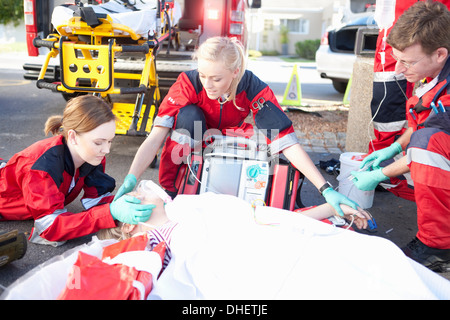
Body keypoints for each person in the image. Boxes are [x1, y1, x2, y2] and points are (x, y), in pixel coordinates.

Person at [114, 36, 359, 217]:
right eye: (202, 75)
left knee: (269, 143)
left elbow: (286, 141)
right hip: (197, 130)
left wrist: (325, 189)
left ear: (235, 72)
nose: (207, 84)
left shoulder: (254, 88)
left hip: (227, 135)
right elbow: (156, 137)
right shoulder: (187, 82)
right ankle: (173, 189)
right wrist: (131, 177)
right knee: (188, 115)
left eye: (216, 78)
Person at [351, 1, 450, 271]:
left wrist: (380, 175)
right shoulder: (437, 70)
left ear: (440, 54)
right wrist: (393, 148)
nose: (398, 70)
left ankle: (437, 248)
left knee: (427, 146)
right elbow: (421, 122)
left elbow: (429, 145)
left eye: (406, 62)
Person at [0, 95, 154, 246]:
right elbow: (49, 228)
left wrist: (127, 201)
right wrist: (110, 212)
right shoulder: (41, 169)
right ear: (73, 137)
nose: (106, 149)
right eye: (99, 142)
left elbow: (95, 200)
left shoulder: (91, 154)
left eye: (110, 141)